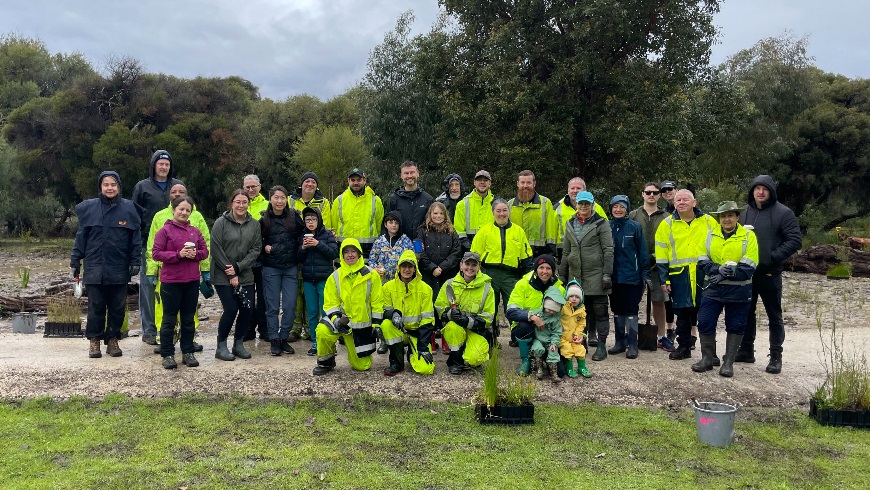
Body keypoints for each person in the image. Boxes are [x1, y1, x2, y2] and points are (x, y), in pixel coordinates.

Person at [71, 171, 142, 359]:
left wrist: (136, 261)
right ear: (100, 187)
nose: (110, 188)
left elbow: (136, 240)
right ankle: (94, 340)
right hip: (94, 267)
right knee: (96, 307)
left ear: (118, 187)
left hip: (119, 267)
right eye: (106, 185)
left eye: (113, 184)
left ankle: (113, 339)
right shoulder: (89, 208)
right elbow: (81, 238)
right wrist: (75, 260)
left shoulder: (129, 209)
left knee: (118, 307)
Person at [736, 175, 802, 374]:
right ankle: (746, 350)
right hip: (747, 273)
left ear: (771, 191)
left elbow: (795, 240)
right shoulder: (743, 212)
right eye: (757, 188)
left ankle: (775, 356)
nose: (760, 192)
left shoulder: (783, 213)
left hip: (770, 274)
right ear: (752, 191)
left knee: (774, 316)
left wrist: (772, 257)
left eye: (765, 188)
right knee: (746, 313)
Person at [693, 201, 759, 377]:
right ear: (719, 219)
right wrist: (717, 269)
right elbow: (702, 259)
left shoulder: (748, 236)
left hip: (739, 290)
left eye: (730, 215)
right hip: (713, 289)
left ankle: (728, 363)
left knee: (736, 325)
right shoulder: (709, 235)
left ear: (737, 217)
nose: (726, 219)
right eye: (723, 216)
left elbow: (750, 265)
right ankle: (707, 359)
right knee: (705, 321)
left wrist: (727, 273)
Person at [145, 183, 209, 354]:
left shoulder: (195, 227)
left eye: (187, 210)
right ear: (174, 209)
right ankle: (166, 349)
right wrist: (153, 269)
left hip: (191, 279)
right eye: (181, 209)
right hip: (170, 278)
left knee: (189, 317)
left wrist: (200, 262)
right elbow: (154, 251)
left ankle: (188, 349)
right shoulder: (162, 224)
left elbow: (205, 248)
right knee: (168, 316)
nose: (184, 212)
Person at [655, 189, 718, 361]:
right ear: (674, 203)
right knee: (682, 313)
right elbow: (661, 253)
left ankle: (710, 352)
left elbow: (718, 245)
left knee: (707, 313)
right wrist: (664, 278)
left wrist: (716, 270)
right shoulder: (667, 224)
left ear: (694, 202)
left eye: (685, 199)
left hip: (703, 273)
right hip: (679, 275)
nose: (682, 202)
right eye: (678, 200)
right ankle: (683, 347)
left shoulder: (708, 221)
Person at [132, 150, 182, 346]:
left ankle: (171, 329)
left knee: (173, 287)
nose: (163, 167)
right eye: (160, 164)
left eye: (167, 164)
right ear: (154, 165)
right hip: (149, 244)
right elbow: (135, 218)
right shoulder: (142, 187)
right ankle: (149, 330)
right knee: (148, 287)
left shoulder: (177, 186)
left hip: (176, 246)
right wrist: (137, 244)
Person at [313, 238, 383, 375]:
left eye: (353, 251)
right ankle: (326, 362)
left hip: (361, 326)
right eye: (346, 252)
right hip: (341, 322)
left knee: (363, 366)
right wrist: (336, 320)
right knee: (322, 330)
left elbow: (377, 302)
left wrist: (376, 325)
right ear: (342, 255)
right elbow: (330, 303)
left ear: (359, 253)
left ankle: (349, 344)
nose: (350, 255)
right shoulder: (334, 277)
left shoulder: (372, 274)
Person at [558, 191, 614, 361]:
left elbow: (608, 249)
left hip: (596, 274)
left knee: (600, 311)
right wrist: (562, 275)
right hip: (576, 276)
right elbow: (566, 251)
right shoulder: (570, 223)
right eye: (580, 203)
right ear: (576, 204)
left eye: (587, 204)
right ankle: (580, 343)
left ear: (592, 205)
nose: (583, 206)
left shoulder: (601, 223)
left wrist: (607, 274)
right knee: (579, 312)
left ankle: (601, 346)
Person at [471, 198, 533, 342]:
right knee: (489, 307)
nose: (501, 214)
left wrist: (529, 277)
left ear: (509, 212)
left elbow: (526, 257)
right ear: (493, 212)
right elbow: (474, 255)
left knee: (513, 306)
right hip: (489, 274)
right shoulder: (484, 231)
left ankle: (516, 337)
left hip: (510, 275)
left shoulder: (518, 231)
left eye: (504, 210)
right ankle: (491, 337)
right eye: (498, 211)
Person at [210, 189, 262, 361]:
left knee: (247, 308)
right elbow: (216, 248)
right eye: (238, 202)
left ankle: (238, 343)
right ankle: (221, 345)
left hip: (245, 273)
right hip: (222, 274)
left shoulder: (254, 224)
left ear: (248, 204)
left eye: (244, 202)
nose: (241, 205)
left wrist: (238, 268)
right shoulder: (221, 223)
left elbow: (256, 249)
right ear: (231, 203)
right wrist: (230, 271)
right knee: (231, 308)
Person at [628, 182, 674, 351]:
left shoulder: (667, 217)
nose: (651, 195)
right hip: (637, 265)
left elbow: (671, 241)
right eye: (648, 192)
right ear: (643, 194)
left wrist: (658, 257)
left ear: (659, 195)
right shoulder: (633, 215)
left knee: (659, 301)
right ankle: (630, 335)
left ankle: (661, 336)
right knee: (632, 301)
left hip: (658, 265)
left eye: (655, 192)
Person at [288, 171, 333, 342]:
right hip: (295, 246)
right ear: (301, 184)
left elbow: (327, 224)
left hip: (316, 247)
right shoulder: (291, 199)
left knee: (312, 296)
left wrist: (318, 239)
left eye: (313, 182)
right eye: (306, 181)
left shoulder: (323, 202)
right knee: (297, 292)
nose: (310, 184)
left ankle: (310, 329)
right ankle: (295, 327)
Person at [260, 185, 304, 357]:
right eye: (276, 197)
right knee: (272, 306)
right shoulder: (264, 220)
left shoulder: (294, 216)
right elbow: (257, 241)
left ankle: (284, 337)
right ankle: (274, 339)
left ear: (287, 199)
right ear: (270, 199)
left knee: (290, 305)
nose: (279, 201)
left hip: (290, 267)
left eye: (282, 198)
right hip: (271, 267)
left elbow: (305, 233)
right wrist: (265, 246)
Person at [434, 252, 496, 374]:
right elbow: (440, 307)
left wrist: (467, 321)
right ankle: (455, 362)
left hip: (476, 330)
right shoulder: (449, 284)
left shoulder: (487, 288)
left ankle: (470, 353)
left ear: (479, 267)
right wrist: (450, 313)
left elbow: (488, 317)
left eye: (474, 265)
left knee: (475, 359)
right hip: (456, 327)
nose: (470, 268)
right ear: (461, 265)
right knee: (452, 328)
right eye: (467, 264)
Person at [380, 250, 437, 376]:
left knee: (426, 369)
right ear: (399, 268)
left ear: (415, 268)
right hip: (398, 331)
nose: (407, 269)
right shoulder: (387, 287)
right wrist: (393, 314)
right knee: (386, 325)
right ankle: (397, 363)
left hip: (418, 334)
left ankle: (412, 353)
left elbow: (428, 320)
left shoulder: (426, 289)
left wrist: (423, 347)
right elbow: (384, 311)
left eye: (410, 266)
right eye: (404, 266)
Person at [606, 195, 650, 359]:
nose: (618, 210)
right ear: (611, 209)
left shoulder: (635, 227)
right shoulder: (606, 227)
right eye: (615, 206)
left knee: (631, 309)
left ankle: (632, 344)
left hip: (632, 277)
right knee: (616, 309)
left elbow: (643, 252)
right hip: (613, 277)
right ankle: (619, 342)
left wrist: (645, 274)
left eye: (622, 207)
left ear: (627, 209)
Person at [416, 201, 462, 353]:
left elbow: (456, 251)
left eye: (441, 213)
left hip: (447, 274)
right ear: (430, 214)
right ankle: (430, 339)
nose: (438, 216)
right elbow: (419, 252)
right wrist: (432, 267)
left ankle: (446, 338)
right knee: (429, 306)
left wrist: (442, 267)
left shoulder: (452, 231)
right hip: (428, 274)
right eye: (435, 213)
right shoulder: (422, 231)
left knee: (447, 305)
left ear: (445, 215)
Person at [506, 254, 563, 376]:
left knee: (561, 372)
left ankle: (544, 357)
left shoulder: (559, 288)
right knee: (524, 327)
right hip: (528, 329)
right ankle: (526, 360)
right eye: (541, 267)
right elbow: (511, 312)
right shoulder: (523, 284)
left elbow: (566, 315)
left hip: (548, 333)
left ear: (553, 271)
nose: (544, 271)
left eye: (548, 268)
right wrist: (532, 317)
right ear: (536, 270)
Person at [298, 207, 339, 356]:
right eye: (307, 219)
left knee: (326, 311)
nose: (310, 222)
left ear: (319, 220)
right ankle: (315, 342)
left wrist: (317, 244)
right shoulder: (302, 235)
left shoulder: (327, 234)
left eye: (313, 219)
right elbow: (298, 257)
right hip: (309, 279)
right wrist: (303, 248)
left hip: (324, 279)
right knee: (312, 312)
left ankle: (328, 342)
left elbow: (333, 253)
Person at [331, 168, 384, 258]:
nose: (356, 183)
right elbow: (334, 225)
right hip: (344, 249)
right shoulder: (339, 200)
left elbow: (379, 225)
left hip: (368, 250)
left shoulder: (375, 200)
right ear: (348, 181)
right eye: (353, 180)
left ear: (364, 180)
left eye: (359, 180)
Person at [242, 174, 270, 342]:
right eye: (248, 187)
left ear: (260, 187)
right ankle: (248, 328)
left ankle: (264, 328)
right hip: (244, 258)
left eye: (254, 186)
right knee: (246, 295)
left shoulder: (268, 205)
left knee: (264, 295)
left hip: (263, 258)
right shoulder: (240, 204)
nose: (251, 189)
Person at [507, 170, 558, 258]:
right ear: (517, 184)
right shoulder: (509, 205)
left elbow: (551, 232)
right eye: (522, 182)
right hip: (514, 253)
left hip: (539, 254)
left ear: (534, 184)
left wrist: (550, 255)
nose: (525, 186)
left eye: (528, 182)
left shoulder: (545, 203)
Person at [554, 177, 608, 258]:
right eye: (572, 188)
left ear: (585, 190)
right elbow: (552, 232)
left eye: (578, 188)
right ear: (568, 190)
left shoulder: (596, 208)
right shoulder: (557, 207)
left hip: (591, 251)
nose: (575, 191)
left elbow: (606, 231)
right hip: (564, 251)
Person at [386, 161, 434, 240]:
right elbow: (388, 225)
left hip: (423, 244)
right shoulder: (394, 200)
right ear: (401, 176)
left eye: (412, 172)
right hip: (400, 245)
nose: (409, 176)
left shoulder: (428, 199)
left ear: (418, 173)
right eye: (406, 173)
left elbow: (433, 225)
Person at [528, 286, 566, 383]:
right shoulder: (538, 313)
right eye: (549, 309)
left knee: (553, 352)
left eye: (553, 310)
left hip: (549, 341)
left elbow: (556, 333)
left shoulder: (556, 319)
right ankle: (539, 369)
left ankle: (554, 374)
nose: (550, 312)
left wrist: (554, 343)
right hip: (538, 339)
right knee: (537, 348)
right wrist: (532, 317)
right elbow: (529, 314)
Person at [454, 170, 495, 251]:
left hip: (492, 250)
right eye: (479, 180)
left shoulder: (496, 204)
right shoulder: (462, 204)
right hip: (469, 250)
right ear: (474, 183)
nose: (482, 182)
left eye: (485, 180)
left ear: (490, 183)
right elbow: (459, 232)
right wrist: (471, 248)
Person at [658, 179, 678, 342]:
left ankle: (689, 332)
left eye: (670, 189)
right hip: (668, 259)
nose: (667, 192)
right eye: (664, 190)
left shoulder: (687, 208)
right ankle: (670, 329)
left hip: (685, 259)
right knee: (667, 299)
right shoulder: (663, 213)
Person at [370, 211, 415, 283]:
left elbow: (412, 260)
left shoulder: (406, 242)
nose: (394, 225)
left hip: (400, 281)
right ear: (385, 224)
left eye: (396, 223)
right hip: (382, 281)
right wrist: (375, 269)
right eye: (391, 222)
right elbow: (372, 260)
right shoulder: (379, 241)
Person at [560, 281, 592, 378]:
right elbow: (556, 318)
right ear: (567, 297)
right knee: (567, 350)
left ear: (581, 299)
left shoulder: (582, 310)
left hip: (574, 336)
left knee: (580, 349)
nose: (574, 299)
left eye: (577, 297)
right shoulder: (563, 307)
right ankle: (569, 368)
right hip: (563, 337)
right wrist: (559, 326)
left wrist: (578, 334)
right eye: (571, 296)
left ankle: (581, 367)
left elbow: (581, 324)